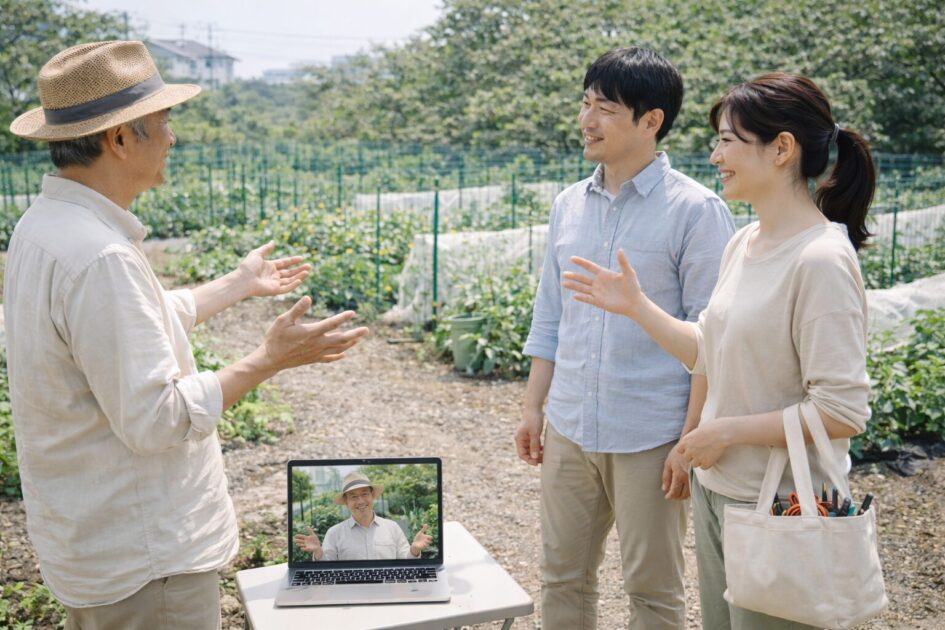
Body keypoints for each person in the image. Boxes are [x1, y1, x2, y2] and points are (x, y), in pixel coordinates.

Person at [5, 41, 369, 629]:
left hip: (96, 545)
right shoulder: (100, 257)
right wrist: (268, 359)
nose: (173, 137)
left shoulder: (45, 227)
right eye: (164, 122)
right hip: (147, 564)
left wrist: (238, 283)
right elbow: (157, 418)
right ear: (120, 139)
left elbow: (129, 327)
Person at [563, 72, 874, 629]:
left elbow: (842, 412)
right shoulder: (744, 241)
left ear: (782, 149)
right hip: (720, 491)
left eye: (729, 140)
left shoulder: (821, 260)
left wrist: (724, 431)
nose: (715, 156)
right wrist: (637, 306)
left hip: (781, 506)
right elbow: (707, 348)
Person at [515, 47, 735, 630]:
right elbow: (551, 316)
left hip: (650, 436)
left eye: (605, 108)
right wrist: (534, 406)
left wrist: (689, 441)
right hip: (569, 426)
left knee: (653, 592)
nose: (587, 119)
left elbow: (712, 342)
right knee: (561, 578)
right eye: (585, 103)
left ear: (651, 121)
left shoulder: (696, 211)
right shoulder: (568, 205)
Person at [293, 472, 433, 561]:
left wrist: (414, 549)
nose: (360, 501)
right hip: (347, 594)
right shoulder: (334, 533)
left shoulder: (392, 527)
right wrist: (318, 552)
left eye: (365, 494)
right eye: (353, 497)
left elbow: (406, 563)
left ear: (372, 496)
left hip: (389, 589)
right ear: (346, 502)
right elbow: (326, 570)